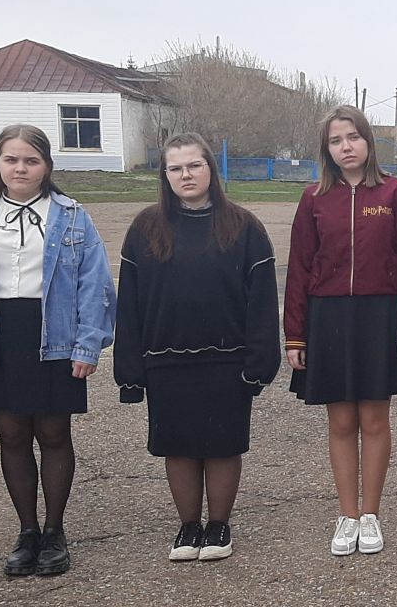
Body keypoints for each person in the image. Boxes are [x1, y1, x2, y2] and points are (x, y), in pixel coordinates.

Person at [0, 124, 116, 577]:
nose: (20, 168)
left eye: (31, 160)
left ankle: (54, 532)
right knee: (12, 435)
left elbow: (95, 283)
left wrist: (89, 343)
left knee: (53, 434)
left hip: (53, 334)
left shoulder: (72, 216)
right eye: (11, 159)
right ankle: (27, 531)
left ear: (47, 166)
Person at [115, 132, 280, 562]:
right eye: (175, 168)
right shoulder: (145, 228)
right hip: (165, 362)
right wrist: (130, 371)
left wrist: (260, 362)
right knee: (179, 446)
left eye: (194, 165)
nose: (185, 175)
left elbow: (262, 302)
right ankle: (188, 526)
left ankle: (219, 526)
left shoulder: (244, 227)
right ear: (165, 175)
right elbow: (129, 305)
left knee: (222, 445)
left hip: (227, 361)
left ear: (210, 168)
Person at [286, 105, 397, 557]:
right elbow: (298, 268)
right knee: (342, 421)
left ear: (367, 141)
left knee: (374, 419)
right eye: (335, 140)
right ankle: (347, 515)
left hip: (379, 318)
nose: (345, 147)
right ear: (326, 149)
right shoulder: (313, 199)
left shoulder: (395, 193)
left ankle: (370, 514)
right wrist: (295, 335)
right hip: (327, 319)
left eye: (352, 137)